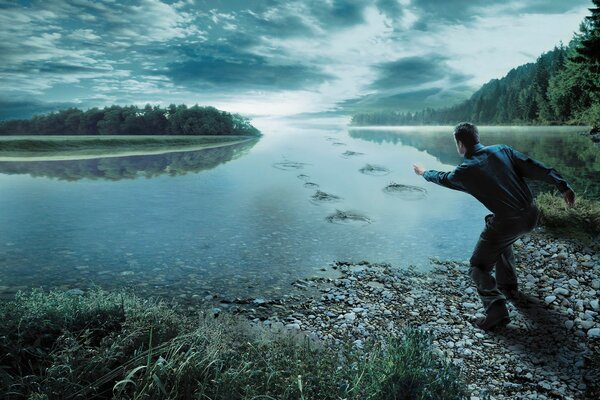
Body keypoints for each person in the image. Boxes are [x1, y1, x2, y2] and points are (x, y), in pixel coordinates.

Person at [412, 122, 576, 331]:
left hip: (509, 222)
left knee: (477, 266)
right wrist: (562, 185)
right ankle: (508, 285)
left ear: (460, 144)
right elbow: (534, 166)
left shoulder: (465, 171)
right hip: (532, 214)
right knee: (495, 231)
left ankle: (496, 310)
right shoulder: (502, 150)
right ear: (477, 137)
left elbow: (443, 178)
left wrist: (423, 172)